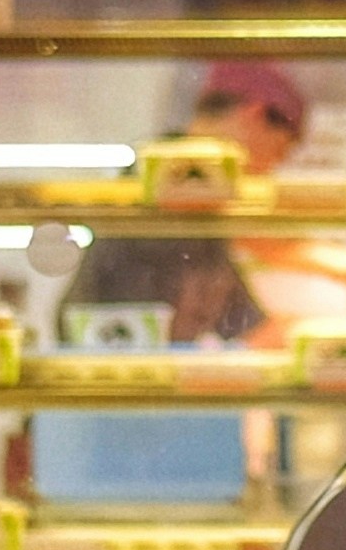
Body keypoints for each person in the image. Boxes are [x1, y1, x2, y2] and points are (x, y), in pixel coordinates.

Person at [57, 58, 319, 345]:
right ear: (253, 117)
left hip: (129, 356)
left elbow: (235, 309)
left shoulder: (204, 199)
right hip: (116, 358)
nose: (271, 167)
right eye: (279, 149)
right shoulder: (170, 172)